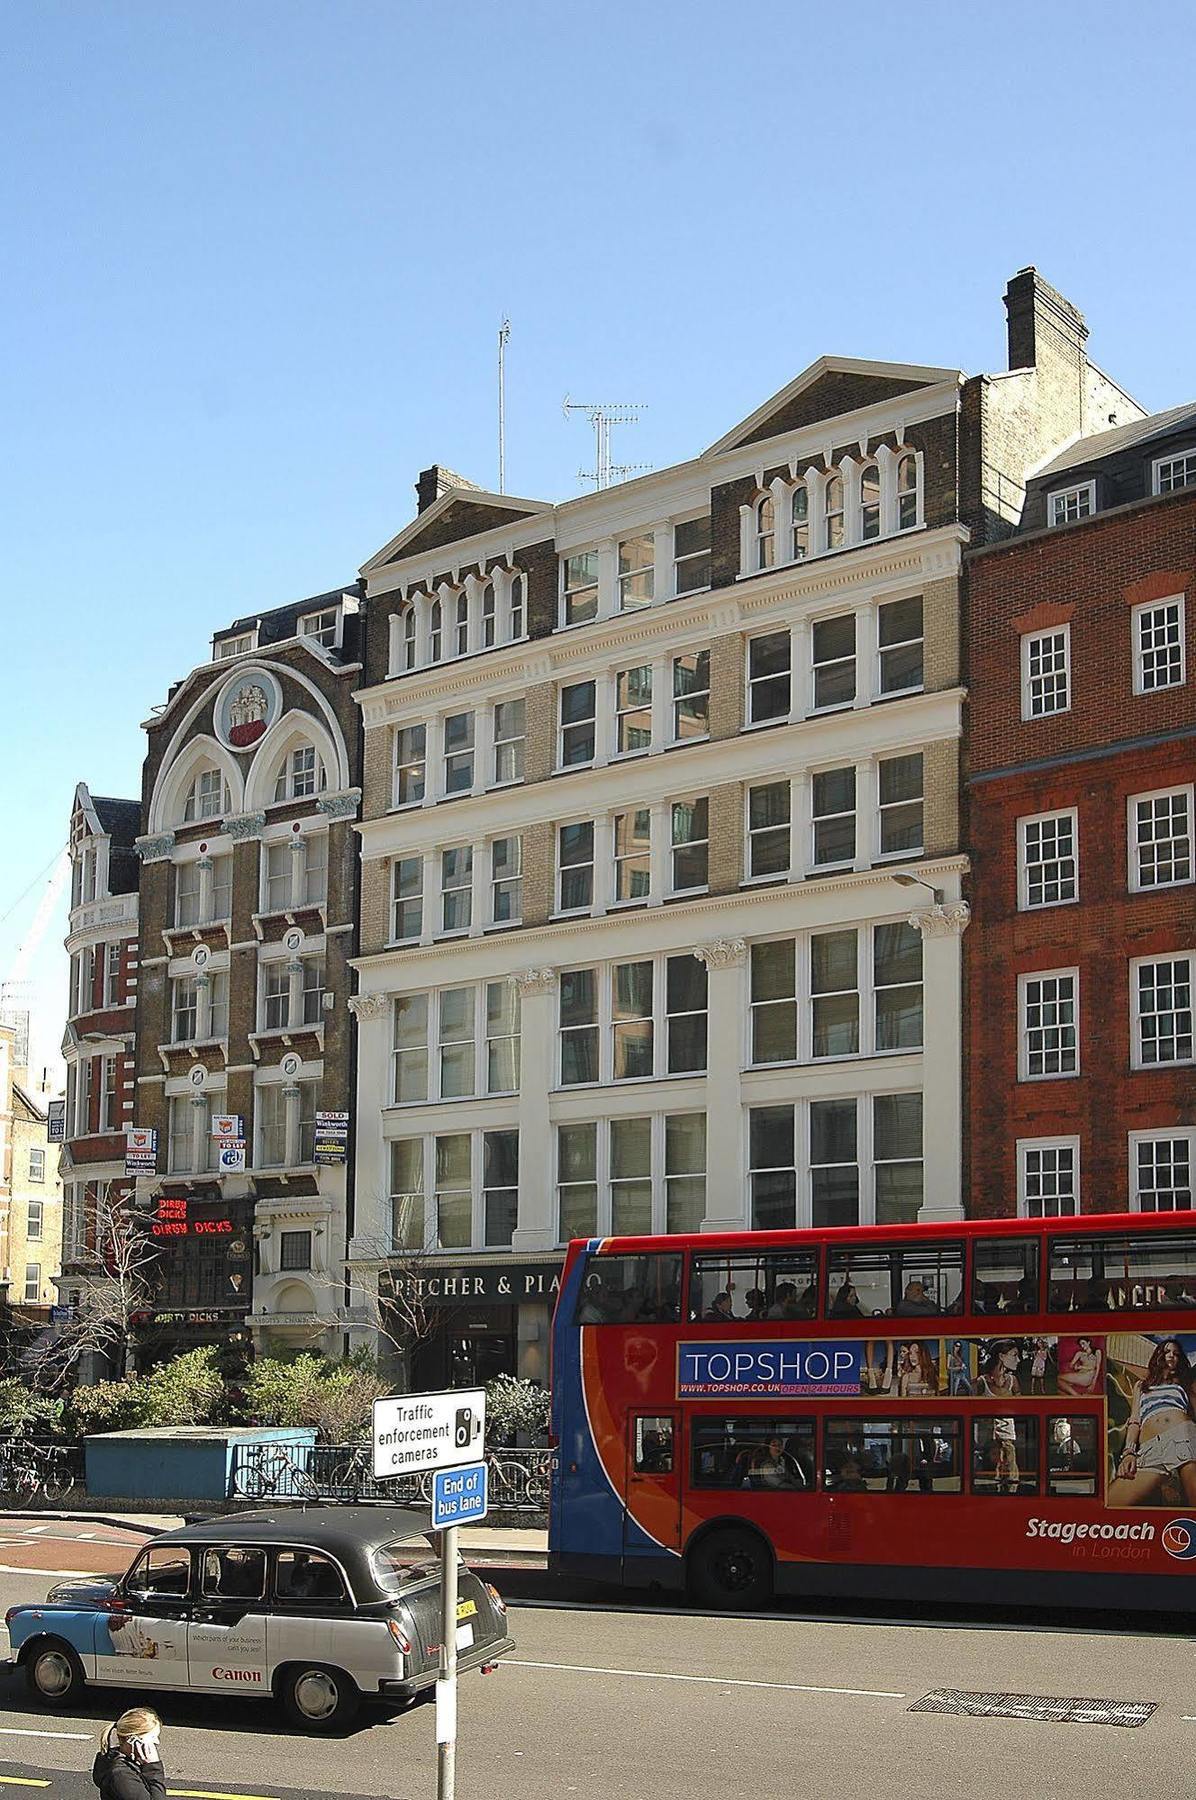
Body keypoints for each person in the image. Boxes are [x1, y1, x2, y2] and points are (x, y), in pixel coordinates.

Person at [1109, 1337, 1196, 1507]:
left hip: (1182, 1438)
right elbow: (1135, 1421)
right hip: (1149, 1450)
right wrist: (1129, 1452)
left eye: (1176, 1354)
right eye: (1167, 1352)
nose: (1172, 1356)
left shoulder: (1183, 1383)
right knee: (1111, 1502)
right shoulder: (1141, 1386)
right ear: (1159, 1356)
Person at [93, 1708, 166, 1800]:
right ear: (133, 1740)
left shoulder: (120, 1760)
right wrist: (154, 1768)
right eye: (152, 1737)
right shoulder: (122, 1775)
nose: (157, 1742)